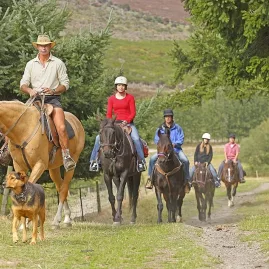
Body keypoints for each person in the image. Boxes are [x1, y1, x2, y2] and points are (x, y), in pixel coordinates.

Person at [20, 34, 76, 172]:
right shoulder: (30, 64)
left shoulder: (58, 63)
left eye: (46, 45)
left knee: (61, 127)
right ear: (37, 47)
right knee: (17, 121)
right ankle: (6, 151)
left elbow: (65, 84)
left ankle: (66, 155)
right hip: (35, 99)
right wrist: (30, 90)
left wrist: (53, 90)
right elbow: (23, 84)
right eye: (41, 45)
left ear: (50, 46)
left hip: (53, 99)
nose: (43, 48)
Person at [89, 76, 146, 172]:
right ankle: (94, 161)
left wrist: (127, 121)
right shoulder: (111, 99)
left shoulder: (130, 98)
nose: (121, 87)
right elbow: (108, 113)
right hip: (114, 124)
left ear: (125, 86)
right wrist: (110, 122)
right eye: (119, 85)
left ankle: (141, 162)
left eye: (123, 85)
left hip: (127, 124)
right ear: (116, 86)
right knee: (98, 138)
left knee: (136, 139)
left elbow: (133, 113)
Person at [145, 109, 190, 190]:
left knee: (185, 160)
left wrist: (175, 144)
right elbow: (156, 139)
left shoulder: (178, 128)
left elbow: (181, 138)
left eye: (169, 116)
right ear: (164, 118)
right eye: (166, 117)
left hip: (176, 150)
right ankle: (150, 179)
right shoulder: (160, 129)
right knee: (152, 159)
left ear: (172, 117)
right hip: (163, 152)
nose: (168, 118)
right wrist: (162, 144)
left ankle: (187, 181)